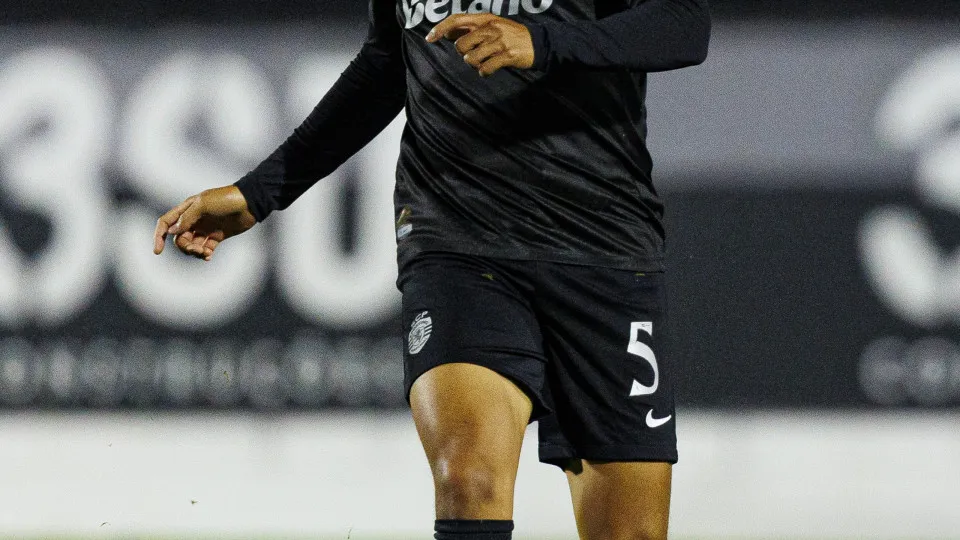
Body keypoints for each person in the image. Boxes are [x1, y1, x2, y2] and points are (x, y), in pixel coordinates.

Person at [153, 0, 710, 538]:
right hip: (457, 239)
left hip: (602, 244)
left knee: (630, 532)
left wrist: (541, 41)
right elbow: (387, 62)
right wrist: (259, 193)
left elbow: (684, 23)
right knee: (468, 478)